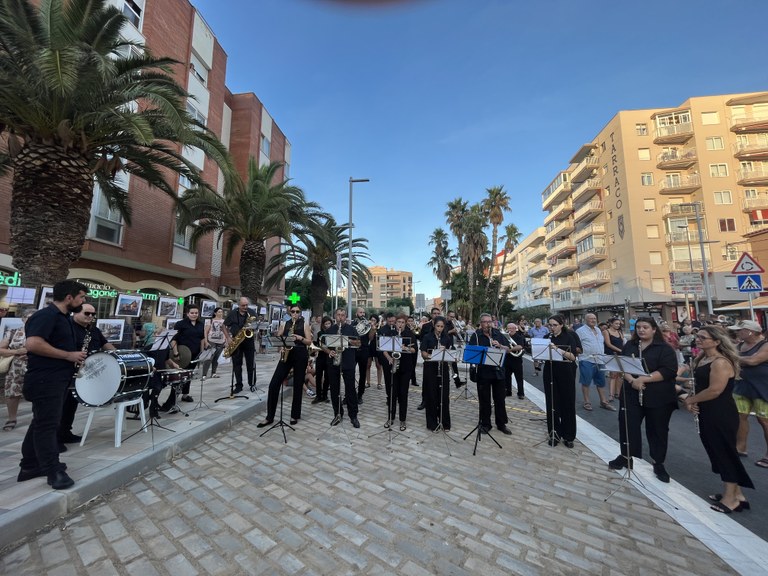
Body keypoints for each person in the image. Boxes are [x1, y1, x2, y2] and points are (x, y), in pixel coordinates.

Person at [18, 280, 89, 490]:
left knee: (41, 422)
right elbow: (33, 343)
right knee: (47, 425)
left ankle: (30, 465)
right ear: (69, 297)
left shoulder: (63, 318)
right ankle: (53, 471)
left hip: (55, 379)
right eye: (81, 297)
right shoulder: (46, 315)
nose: (83, 301)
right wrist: (69, 355)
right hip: (45, 380)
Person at [684, 325, 754, 513]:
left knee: (724, 452)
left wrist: (691, 399)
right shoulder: (703, 358)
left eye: (703, 337)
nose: (698, 339)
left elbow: (715, 390)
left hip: (720, 412)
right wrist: (693, 396)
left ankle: (730, 498)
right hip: (708, 411)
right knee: (716, 451)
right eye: (697, 336)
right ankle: (737, 494)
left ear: (716, 341)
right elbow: (700, 384)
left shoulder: (720, 362)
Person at [609, 316, 678, 482]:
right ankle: (626, 456)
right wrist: (632, 380)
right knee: (628, 425)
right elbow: (622, 365)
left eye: (645, 327)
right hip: (632, 392)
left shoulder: (664, 348)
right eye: (638, 327)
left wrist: (643, 379)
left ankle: (658, 463)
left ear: (654, 329)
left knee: (657, 430)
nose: (641, 330)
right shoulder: (631, 345)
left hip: (657, 395)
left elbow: (668, 370)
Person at [58, 303, 115, 447]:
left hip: (86, 372)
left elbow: (105, 344)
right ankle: (55, 438)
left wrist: (117, 355)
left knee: (72, 404)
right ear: (76, 313)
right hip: (68, 370)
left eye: (93, 314)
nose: (90, 317)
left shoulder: (93, 329)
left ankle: (65, 432)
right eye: (87, 314)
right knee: (61, 405)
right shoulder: (68, 327)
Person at [257, 305, 312, 427]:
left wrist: (300, 337)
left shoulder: (304, 324)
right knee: (274, 384)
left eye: (297, 312)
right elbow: (279, 337)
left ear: (300, 313)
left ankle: (294, 415)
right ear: (290, 312)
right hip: (287, 354)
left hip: (300, 354)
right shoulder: (284, 324)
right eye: (293, 311)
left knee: (298, 385)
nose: (295, 314)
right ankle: (270, 417)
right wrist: (281, 345)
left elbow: (309, 341)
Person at [728, 320, 768, 468]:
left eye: (740, 330)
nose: (737, 332)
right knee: (740, 417)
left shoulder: (765, 345)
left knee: (764, 421)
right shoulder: (739, 345)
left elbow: (753, 361)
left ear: (750, 332)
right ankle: (741, 447)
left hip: (763, 387)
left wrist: (733, 358)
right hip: (742, 386)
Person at [468, 313, 512, 436]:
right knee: (484, 400)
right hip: (484, 372)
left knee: (500, 399)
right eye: (485, 322)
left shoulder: (498, 334)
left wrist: (500, 346)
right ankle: (486, 424)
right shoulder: (476, 335)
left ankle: (501, 423)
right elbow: (471, 353)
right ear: (481, 323)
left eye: (489, 322)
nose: (488, 324)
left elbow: (508, 349)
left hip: (498, 372)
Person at [541, 315, 581, 447]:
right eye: (550, 325)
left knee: (567, 403)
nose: (551, 328)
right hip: (550, 371)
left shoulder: (570, 336)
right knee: (552, 403)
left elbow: (573, 357)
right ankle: (554, 433)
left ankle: (569, 436)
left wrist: (557, 348)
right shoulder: (547, 337)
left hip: (566, 372)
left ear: (561, 325)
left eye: (554, 325)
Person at [322, 308, 360, 428]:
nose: (340, 317)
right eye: (338, 315)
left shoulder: (351, 329)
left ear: (346, 317)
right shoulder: (330, 329)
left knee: (350, 390)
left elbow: (359, 343)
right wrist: (329, 351)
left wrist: (347, 340)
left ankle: (353, 415)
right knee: (334, 390)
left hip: (348, 362)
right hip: (334, 362)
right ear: (335, 316)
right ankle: (337, 413)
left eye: (343, 315)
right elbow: (322, 344)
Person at [1, 308, 35, 431]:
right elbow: (1, 349)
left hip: (35, 365)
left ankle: (37, 418)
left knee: (37, 392)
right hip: (16, 366)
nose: (30, 320)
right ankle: (12, 418)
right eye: (27, 318)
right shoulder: (13, 331)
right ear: (23, 319)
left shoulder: (41, 332)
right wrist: (16, 351)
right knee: (12, 392)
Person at [382, 314, 417, 431]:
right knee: (392, 393)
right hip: (393, 366)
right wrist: (389, 358)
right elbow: (384, 349)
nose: (400, 324)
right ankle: (390, 418)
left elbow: (413, 350)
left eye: (402, 322)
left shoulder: (410, 335)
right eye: (398, 322)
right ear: (395, 323)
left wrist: (405, 348)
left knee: (403, 394)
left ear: (405, 323)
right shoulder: (390, 334)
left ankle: (402, 420)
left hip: (405, 368)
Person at [576, 313, 615, 412]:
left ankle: (603, 401)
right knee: (586, 382)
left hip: (600, 359)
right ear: (586, 320)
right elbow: (577, 345)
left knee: (601, 382)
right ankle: (587, 402)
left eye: (594, 318)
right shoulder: (580, 331)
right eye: (590, 319)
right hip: (587, 359)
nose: (593, 320)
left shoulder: (598, 330)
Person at [421, 316, 453, 431]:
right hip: (430, 367)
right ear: (434, 325)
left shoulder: (446, 338)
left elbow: (450, 353)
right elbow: (423, 353)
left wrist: (445, 351)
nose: (439, 329)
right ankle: (432, 423)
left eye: (442, 327)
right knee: (431, 395)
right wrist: (433, 355)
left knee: (444, 396)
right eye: (438, 326)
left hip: (443, 368)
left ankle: (445, 423)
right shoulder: (427, 337)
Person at [168, 304, 205, 403]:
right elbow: (174, 339)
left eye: (196, 313)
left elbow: (202, 338)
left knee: (189, 375)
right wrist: (175, 353)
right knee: (180, 375)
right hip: (183, 355)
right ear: (187, 313)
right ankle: (173, 397)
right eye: (192, 313)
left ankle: (185, 394)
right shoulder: (180, 324)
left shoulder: (201, 324)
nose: (194, 315)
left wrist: (201, 353)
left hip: (195, 354)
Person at [223, 297, 258, 392]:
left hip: (249, 341)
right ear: (238, 305)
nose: (245, 307)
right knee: (237, 365)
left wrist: (254, 327)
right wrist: (228, 338)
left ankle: (252, 384)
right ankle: (238, 385)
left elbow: (256, 325)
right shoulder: (233, 313)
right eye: (243, 305)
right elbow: (224, 326)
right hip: (236, 341)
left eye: (247, 305)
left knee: (251, 363)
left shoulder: (252, 312)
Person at [351, 307, 375, 404]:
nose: (363, 314)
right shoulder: (352, 324)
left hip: (364, 350)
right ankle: (349, 394)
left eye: (364, 312)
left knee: (362, 374)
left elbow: (370, 338)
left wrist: (373, 329)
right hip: (353, 351)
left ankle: (360, 394)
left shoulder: (367, 325)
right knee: (350, 372)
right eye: (360, 312)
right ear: (356, 314)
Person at [602, 318, 625, 400]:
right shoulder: (606, 332)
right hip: (611, 355)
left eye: (619, 324)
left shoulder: (619, 332)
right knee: (613, 375)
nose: (618, 325)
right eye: (616, 323)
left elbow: (623, 342)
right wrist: (620, 350)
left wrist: (624, 350)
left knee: (620, 375)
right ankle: (611, 395)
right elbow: (608, 344)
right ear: (611, 324)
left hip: (621, 355)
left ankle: (618, 393)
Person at [312, 316, 333, 404]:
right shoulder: (320, 333)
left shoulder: (333, 333)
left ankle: (325, 395)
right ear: (323, 325)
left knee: (327, 377)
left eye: (329, 323)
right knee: (319, 376)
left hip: (329, 357)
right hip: (320, 357)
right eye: (326, 324)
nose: (328, 325)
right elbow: (317, 344)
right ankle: (318, 395)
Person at [503, 322, 526, 399]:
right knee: (507, 377)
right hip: (507, 360)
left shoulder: (519, 337)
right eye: (509, 328)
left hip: (517, 360)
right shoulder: (505, 337)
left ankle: (521, 393)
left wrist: (510, 350)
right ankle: (508, 391)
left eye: (512, 328)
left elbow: (520, 347)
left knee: (519, 377)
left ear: (515, 329)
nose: (510, 330)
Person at [202, 307, 226, 378]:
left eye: (221, 312)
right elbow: (205, 331)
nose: (220, 313)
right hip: (211, 341)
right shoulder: (210, 321)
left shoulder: (224, 321)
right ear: (215, 313)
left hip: (221, 341)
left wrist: (226, 341)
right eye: (219, 312)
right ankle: (204, 374)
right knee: (209, 358)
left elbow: (226, 332)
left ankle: (213, 373)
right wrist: (206, 341)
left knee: (216, 358)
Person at [366, 314, 382, 390]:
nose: (372, 322)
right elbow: (370, 338)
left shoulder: (380, 328)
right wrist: (372, 329)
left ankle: (379, 383)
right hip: (369, 347)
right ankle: (368, 382)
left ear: (377, 321)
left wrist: (375, 328)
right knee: (368, 365)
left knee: (378, 365)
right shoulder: (368, 328)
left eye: (374, 320)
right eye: (371, 320)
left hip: (377, 347)